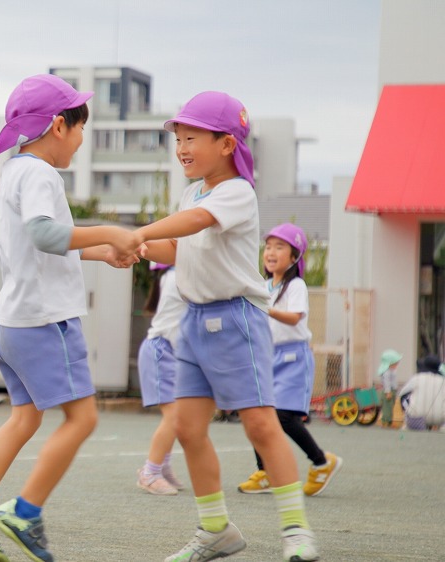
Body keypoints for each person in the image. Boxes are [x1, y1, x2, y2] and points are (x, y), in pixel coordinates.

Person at [0, 74, 142, 562]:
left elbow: (43, 246)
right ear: (58, 125)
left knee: (24, 418)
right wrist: (110, 231)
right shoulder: (40, 175)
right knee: (83, 418)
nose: (78, 140)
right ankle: (25, 511)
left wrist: (101, 250)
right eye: (79, 130)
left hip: (12, 323)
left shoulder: (13, 173)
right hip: (45, 322)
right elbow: (47, 236)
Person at [134, 92, 319, 562]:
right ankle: (216, 529)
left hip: (236, 319)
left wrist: (140, 233)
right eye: (178, 139)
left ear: (226, 143)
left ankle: (296, 530)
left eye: (191, 137)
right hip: (193, 323)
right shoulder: (191, 191)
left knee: (260, 425)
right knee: (189, 430)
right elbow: (180, 249)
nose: (182, 148)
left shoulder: (236, 191)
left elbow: (193, 224)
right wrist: (133, 249)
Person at [237, 223, 342, 497]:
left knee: (284, 416)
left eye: (279, 247)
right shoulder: (264, 285)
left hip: (293, 356)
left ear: (295, 257)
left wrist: (264, 308)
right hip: (266, 356)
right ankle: (266, 472)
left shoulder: (295, 286)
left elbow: (294, 317)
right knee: (257, 414)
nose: (271, 252)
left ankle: (321, 462)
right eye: (268, 246)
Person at [136, 262, 187, 496]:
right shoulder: (178, 277)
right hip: (161, 351)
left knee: (179, 414)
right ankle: (150, 472)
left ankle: (162, 466)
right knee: (174, 415)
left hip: (169, 351)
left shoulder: (173, 276)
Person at [399, 354, 445, 431]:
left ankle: (413, 425)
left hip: (417, 417)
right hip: (440, 418)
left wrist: (406, 410)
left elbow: (403, 395)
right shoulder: (442, 380)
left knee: (410, 422)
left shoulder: (417, 378)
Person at [377, 349, 403, 427]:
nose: (397, 364)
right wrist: (388, 392)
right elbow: (387, 382)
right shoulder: (387, 371)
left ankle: (389, 421)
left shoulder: (392, 370)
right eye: (395, 363)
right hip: (388, 391)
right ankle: (386, 421)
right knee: (387, 407)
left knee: (391, 406)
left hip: (393, 390)